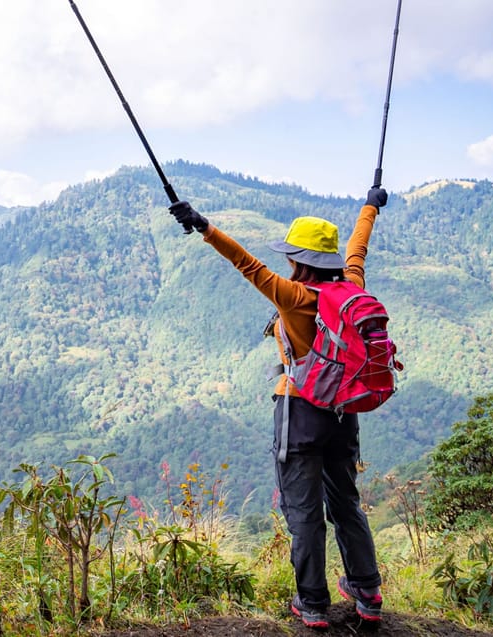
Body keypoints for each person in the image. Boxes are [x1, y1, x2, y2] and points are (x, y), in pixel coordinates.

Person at [169, 187, 388, 630]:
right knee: (346, 503)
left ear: (298, 261)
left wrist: (203, 225)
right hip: (345, 412)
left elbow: (245, 262)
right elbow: (358, 246)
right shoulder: (351, 286)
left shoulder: (291, 295)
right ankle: (367, 592)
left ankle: (312, 604)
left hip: (300, 412)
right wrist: (370, 206)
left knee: (304, 512)